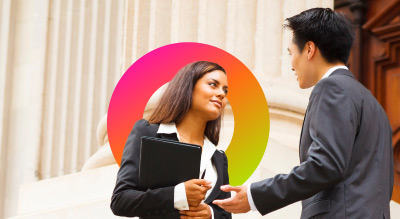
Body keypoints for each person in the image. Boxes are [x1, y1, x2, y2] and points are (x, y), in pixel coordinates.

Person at [213, 8, 394, 218]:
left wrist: (254, 196)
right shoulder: (374, 106)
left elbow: (324, 165)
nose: (291, 64)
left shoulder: (330, 88)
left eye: (291, 53)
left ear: (309, 49)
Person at [110, 61, 232, 219]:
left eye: (225, 90)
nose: (222, 94)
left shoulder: (218, 158)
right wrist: (178, 195)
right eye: (212, 84)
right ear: (189, 86)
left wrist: (210, 214)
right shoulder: (147, 133)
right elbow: (121, 200)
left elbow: (225, 215)